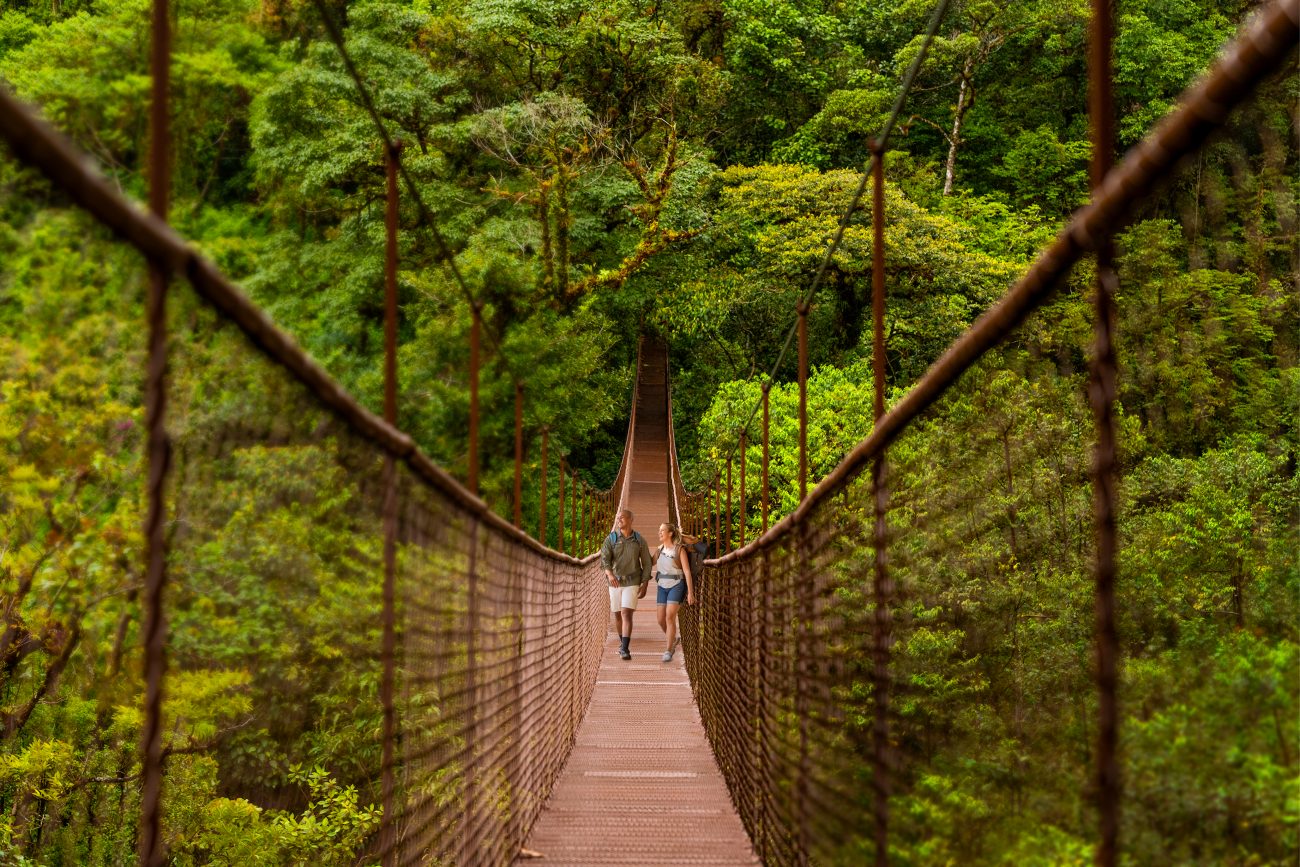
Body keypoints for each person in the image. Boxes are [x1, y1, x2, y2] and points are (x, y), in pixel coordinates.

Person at [600, 508, 653, 660]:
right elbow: (604, 559)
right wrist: (609, 574)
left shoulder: (639, 540)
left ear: (630, 519)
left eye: (622, 517)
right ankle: (622, 640)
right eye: (618, 518)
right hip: (615, 581)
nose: (619, 520)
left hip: (632, 581)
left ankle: (624, 648)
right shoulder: (611, 539)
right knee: (617, 615)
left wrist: (645, 583)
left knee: (625, 613)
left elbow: (647, 563)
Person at [652, 522, 695, 663]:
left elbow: (687, 571)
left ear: (670, 533)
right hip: (662, 586)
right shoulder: (659, 550)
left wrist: (690, 592)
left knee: (669, 617)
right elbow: (647, 563)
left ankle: (668, 650)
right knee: (660, 619)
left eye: (662, 530)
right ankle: (674, 638)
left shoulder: (679, 550)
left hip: (677, 585)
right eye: (659, 530)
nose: (659, 533)